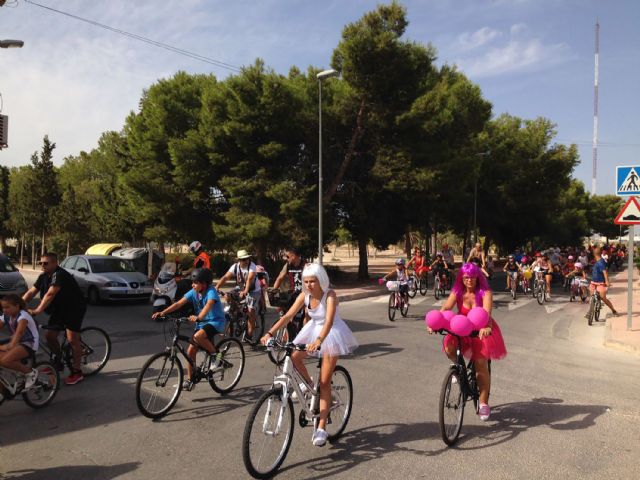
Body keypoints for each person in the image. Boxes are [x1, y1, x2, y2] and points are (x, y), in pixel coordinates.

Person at [260, 263, 358, 447]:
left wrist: (320, 341)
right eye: (306, 282)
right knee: (294, 357)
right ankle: (310, 386)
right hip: (312, 329)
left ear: (321, 280)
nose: (309, 285)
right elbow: (288, 316)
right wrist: (269, 333)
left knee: (325, 381)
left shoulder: (330, 295)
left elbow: (328, 321)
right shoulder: (304, 296)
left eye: (312, 281)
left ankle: (321, 426)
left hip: (331, 333)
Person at [429, 263, 506, 421]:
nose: (469, 280)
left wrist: (487, 327)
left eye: (472, 277)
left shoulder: (485, 292)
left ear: (477, 277)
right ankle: (458, 369)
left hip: (481, 329)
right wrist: (434, 323)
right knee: (450, 349)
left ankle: (483, 403)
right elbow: (446, 307)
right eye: (466, 278)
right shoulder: (457, 291)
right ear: (461, 278)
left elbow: (487, 313)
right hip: (462, 327)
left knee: (480, 365)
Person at [152, 268, 226, 390]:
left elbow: (209, 304)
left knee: (198, 336)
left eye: (196, 282)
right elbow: (178, 303)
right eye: (193, 282)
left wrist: (199, 317)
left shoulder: (211, 291)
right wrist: (163, 312)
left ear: (204, 284)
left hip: (215, 322)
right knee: (191, 351)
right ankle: (190, 380)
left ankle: (217, 357)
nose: (193, 285)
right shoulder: (193, 292)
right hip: (202, 324)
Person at [23, 252, 87, 385]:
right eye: (41, 263)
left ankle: (77, 371)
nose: (42, 265)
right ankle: (58, 362)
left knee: (72, 339)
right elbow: (31, 292)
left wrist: (37, 310)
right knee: (50, 335)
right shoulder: (44, 276)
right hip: (59, 309)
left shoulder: (60, 274)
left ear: (55, 263)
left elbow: (50, 293)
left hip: (73, 309)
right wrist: (17, 306)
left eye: (46, 263)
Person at [216, 249, 262, 343]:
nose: (246, 261)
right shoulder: (235, 267)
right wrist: (217, 286)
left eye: (247, 258)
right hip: (240, 288)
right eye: (243, 259)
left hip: (253, 290)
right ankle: (236, 313)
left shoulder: (252, 266)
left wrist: (245, 290)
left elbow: (249, 279)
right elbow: (225, 277)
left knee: (250, 310)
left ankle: (249, 334)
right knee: (228, 296)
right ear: (239, 260)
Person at [0, 295, 39, 393]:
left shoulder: (23, 316)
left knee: (5, 361)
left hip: (29, 343)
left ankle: (30, 373)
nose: (4, 310)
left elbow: (19, 332)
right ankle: (3, 391)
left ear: (17, 306)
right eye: (3, 307)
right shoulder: (6, 316)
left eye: (7, 307)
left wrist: (9, 346)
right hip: (17, 343)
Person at [588, 247, 618, 316]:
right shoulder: (598, 261)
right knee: (592, 297)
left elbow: (605, 272)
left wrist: (607, 281)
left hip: (600, 283)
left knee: (603, 298)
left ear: (594, 254)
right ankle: (592, 308)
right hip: (593, 282)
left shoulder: (601, 262)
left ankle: (613, 310)